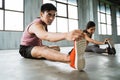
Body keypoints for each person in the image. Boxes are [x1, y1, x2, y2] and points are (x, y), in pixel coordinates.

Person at [19, 3, 86, 71]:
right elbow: (46, 36)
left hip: (38, 46)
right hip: (25, 49)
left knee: (56, 48)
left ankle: (47, 53)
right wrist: (66, 35)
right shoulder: (36, 25)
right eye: (49, 14)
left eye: (54, 15)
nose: (52, 18)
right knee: (43, 50)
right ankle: (71, 59)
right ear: (41, 14)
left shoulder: (44, 24)